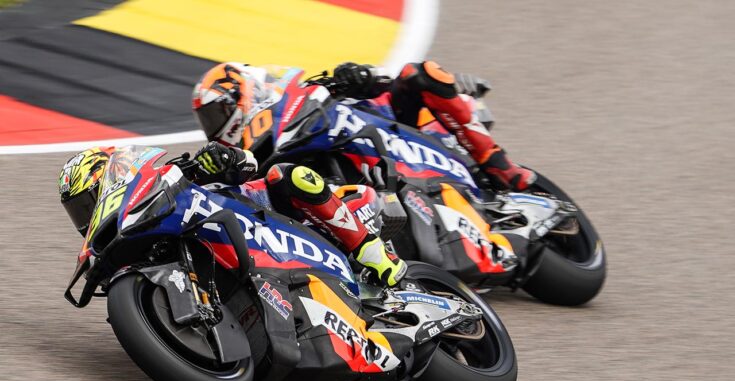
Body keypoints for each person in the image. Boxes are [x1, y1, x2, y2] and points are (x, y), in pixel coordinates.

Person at [58, 143, 407, 287]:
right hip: (250, 269)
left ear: (116, 173)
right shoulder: (132, 244)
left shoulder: (172, 180)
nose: (87, 216)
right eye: (80, 211)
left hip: (273, 217)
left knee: (287, 175)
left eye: (89, 202)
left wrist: (220, 158)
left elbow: (249, 163)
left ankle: (374, 254)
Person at [331, 61, 536, 191]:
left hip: (389, 130)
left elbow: (381, 79)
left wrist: (361, 75)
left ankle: (498, 165)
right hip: (351, 166)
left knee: (418, 73)